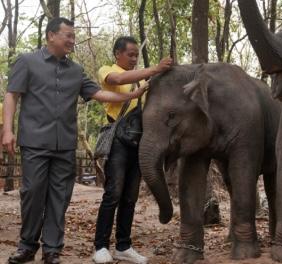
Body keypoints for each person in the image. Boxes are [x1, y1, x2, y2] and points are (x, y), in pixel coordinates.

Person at [3, 17, 148, 264]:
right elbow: (11, 95)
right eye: (68, 35)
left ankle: (52, 250)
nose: (72, 40)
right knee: (32, 194)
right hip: (35, 142)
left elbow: (98, 93)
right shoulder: (27, 62)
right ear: (51, 35)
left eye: (73, 35)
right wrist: (7, 130)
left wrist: (133, 94)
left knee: (60, 198)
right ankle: (27, 246)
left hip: (65, 145)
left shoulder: (76, 70)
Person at [91, 36, 172, 264]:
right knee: (113, 193)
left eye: (137, 54)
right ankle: (100, 246)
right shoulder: (108, 70)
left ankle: (124, 246)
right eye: (131, 54)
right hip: (117, 141)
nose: (135, 58)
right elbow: (118, 78)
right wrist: (153, 69)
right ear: (118, 54)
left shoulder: (140, 82)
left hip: (138, 142)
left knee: (130, 197)